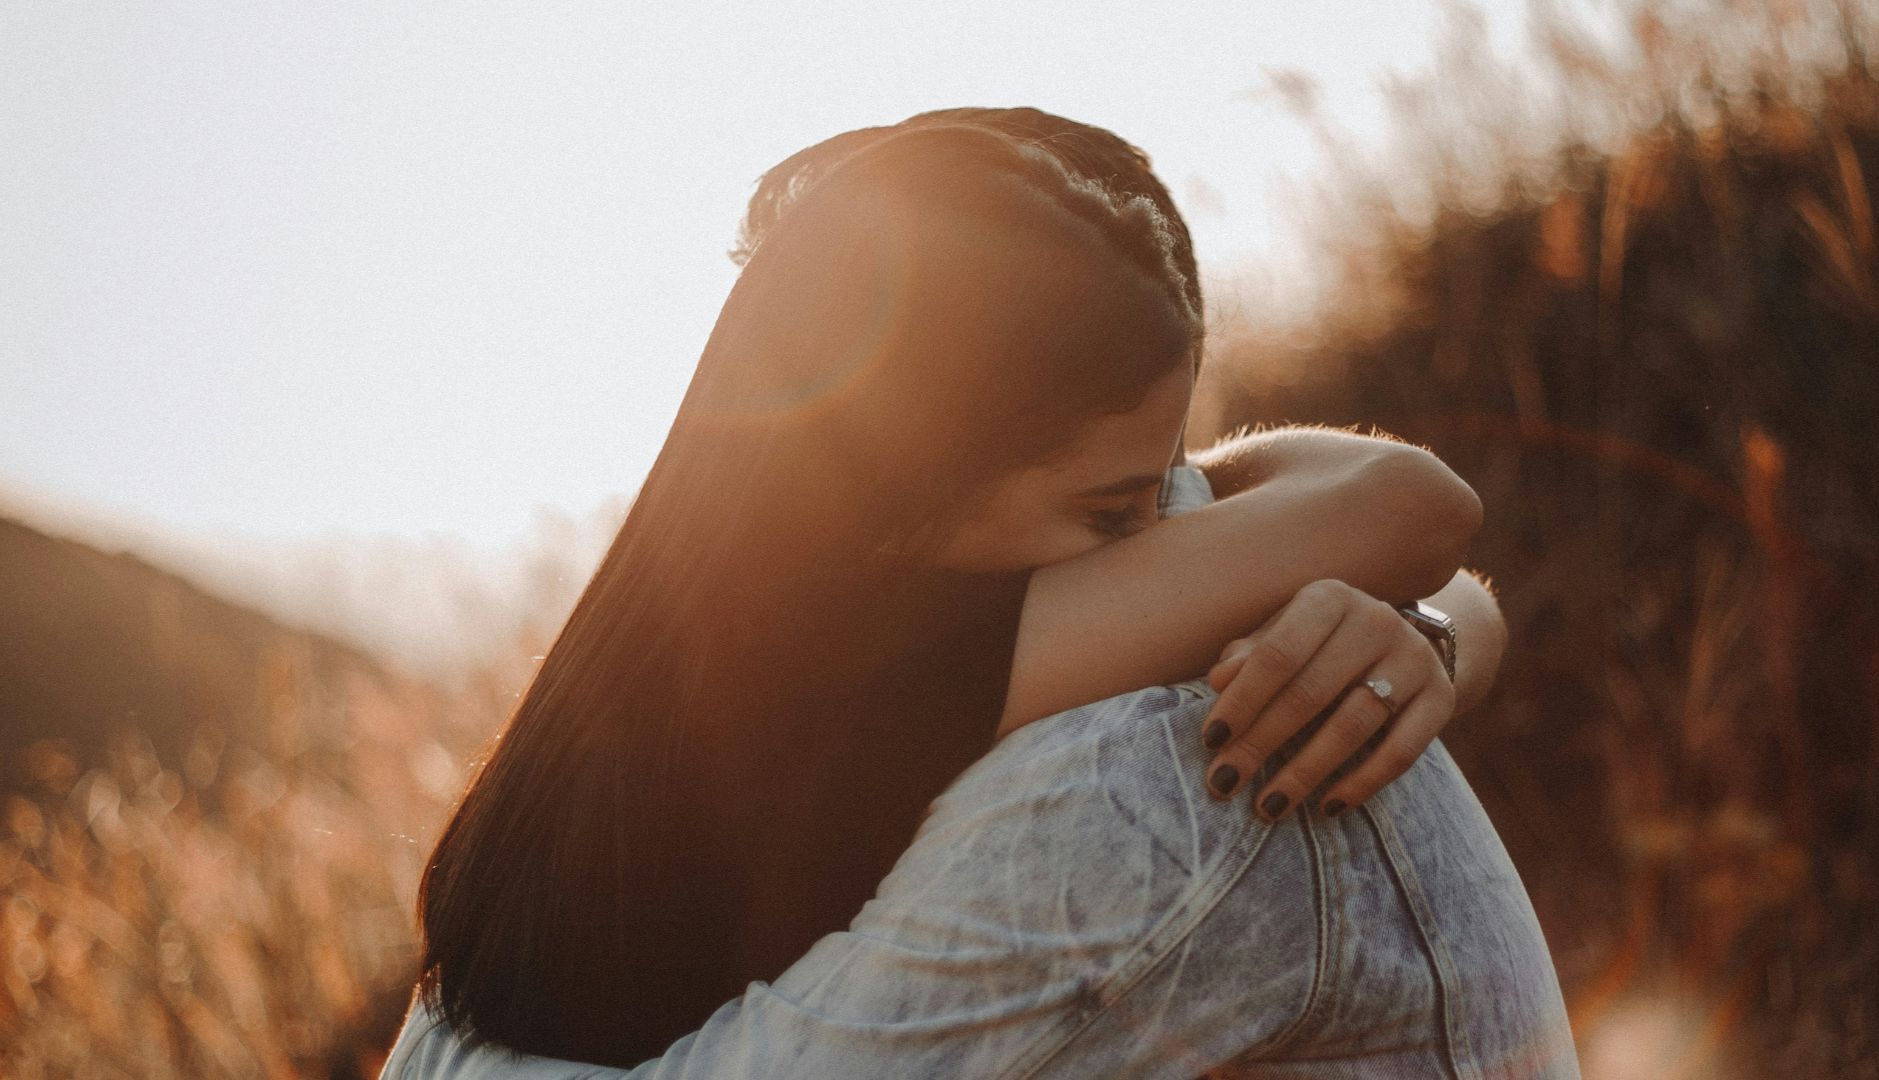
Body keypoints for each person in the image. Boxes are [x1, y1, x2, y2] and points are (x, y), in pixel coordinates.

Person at [385, 108, 1574, 1075]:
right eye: (1114, 512)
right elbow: (1416, 508)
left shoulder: (678, 642)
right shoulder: (920, 652)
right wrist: (1440, 622)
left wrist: (1432, 634)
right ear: (909, 489)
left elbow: (1369, 539)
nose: (1163, 535)